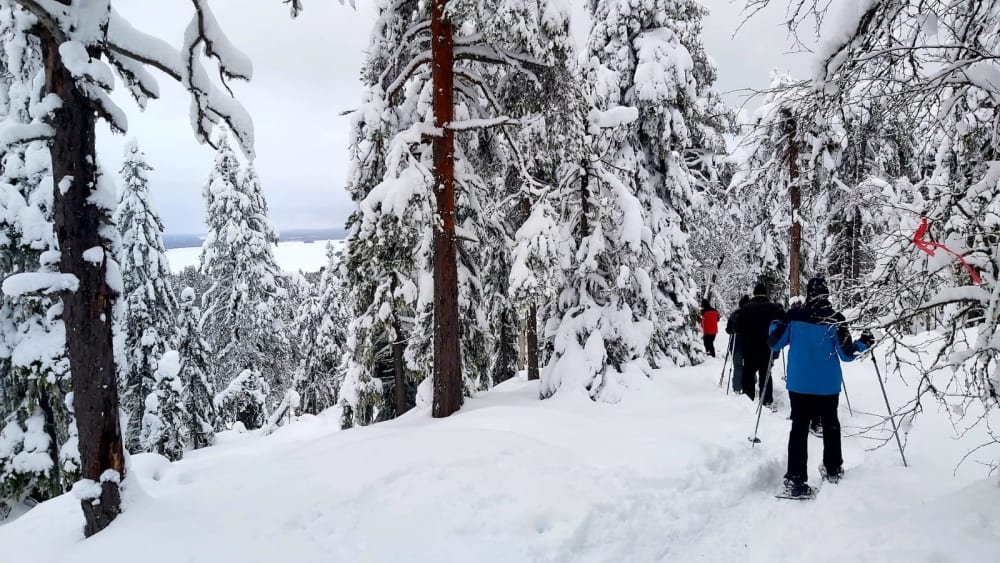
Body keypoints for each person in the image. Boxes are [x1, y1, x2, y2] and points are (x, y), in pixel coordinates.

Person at [768, 276, 874, 498]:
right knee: (830, 425)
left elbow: (775, 343)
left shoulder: (794, 316)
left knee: (799, 428)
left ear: (808, 294)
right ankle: (833, 470)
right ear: (827, 295)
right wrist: (865, 342)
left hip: (799, 384)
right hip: (827, 385)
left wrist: (776, 322)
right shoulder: (836, 319)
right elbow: (846, 355)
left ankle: (795, 479)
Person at [735, 283, 783, 407]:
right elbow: (783, 322)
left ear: (754, 293)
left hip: (749, 347)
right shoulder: (773, 308)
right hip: (767, 347)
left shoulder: (745, 308)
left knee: (748, 372)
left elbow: (737, 328)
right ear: (765, 293)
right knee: (765, 373)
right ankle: (766, 400)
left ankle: (748, 397)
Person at [725, 295, 751, 394]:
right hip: (749, 345)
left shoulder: (735, 314)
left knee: (738, 366)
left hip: (736, 345)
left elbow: (728, 330)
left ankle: (737, 387)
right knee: (749, 366)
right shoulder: (752, 314)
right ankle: (750, 384)